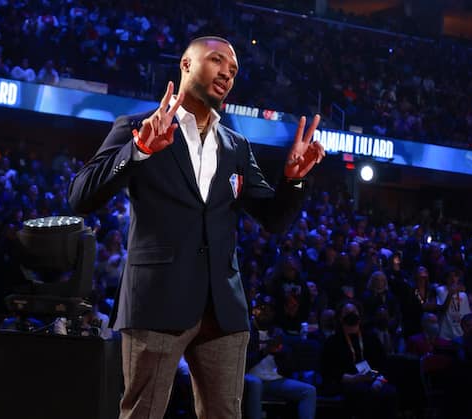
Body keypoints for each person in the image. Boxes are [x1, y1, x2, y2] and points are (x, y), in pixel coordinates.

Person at [68, 36, 325, 419]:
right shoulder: (138, 127)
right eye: (217, 60)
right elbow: (80, 197)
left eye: (234, 69)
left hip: (224, 309)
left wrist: (294, 181)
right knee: (142, 414)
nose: (227, 72)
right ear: (186, 65)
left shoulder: (236, 146)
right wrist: (138, 150)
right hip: (157, 300)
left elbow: (274, 219)